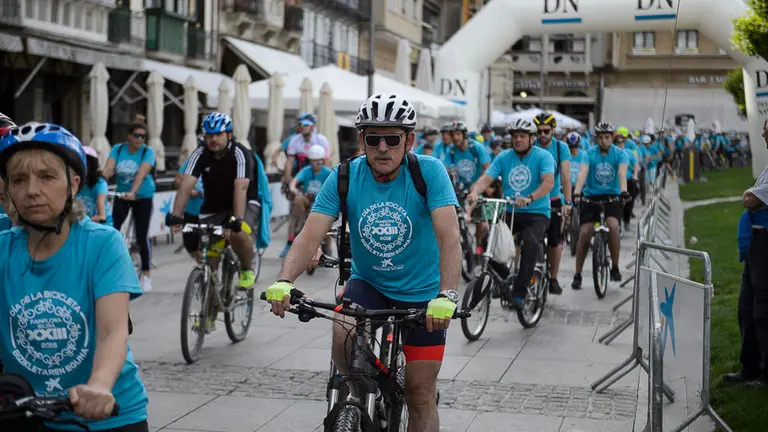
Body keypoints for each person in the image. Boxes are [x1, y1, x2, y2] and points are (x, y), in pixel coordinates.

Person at [265, 93, 461, 432]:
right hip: (368, 284)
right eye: (373, 138)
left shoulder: (429, 172)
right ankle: (359, 397)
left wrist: (447, 295)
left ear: (409, 140)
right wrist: (285, 280)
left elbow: (449, 237)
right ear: (362, 141)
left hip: (423, 294)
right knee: (342, 331)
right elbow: (309, 235)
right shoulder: (344, 176)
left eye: (392, 138)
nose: (383, 147)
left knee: (419, 394)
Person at [0, 122, 149, 431]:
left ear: (74, 184)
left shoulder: (102, 243)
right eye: (19, 180)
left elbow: (113, 331)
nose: (31, 191)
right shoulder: (3, 249)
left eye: (47, 177)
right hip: (21, 411)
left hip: (107, 415)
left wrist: (99, 385)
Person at [168, 112, 260, 291]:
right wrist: (176, 215)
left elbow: (241, 188)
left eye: (218, 134)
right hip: (214, 205)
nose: (213, 139)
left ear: (229, 135)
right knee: (210, 263)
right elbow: (186, 185)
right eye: (209, 135)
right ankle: (207, 315)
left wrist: (236, 219)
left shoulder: (240, 153)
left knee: (237, 232)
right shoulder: (200, 153)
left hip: (245, 202)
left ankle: (247, 269)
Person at [468, 119, 555, 308]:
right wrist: (475, 192)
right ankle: (508, 278)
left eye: (522, 136)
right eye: (515, 136)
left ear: (532, 139)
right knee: (486, 242)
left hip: (537, 212)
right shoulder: (504, 157)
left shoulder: (543, 156)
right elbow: (487, 178)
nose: (518, 140)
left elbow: (548, 183)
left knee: (531, 242)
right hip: (509, 210)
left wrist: (530, 198)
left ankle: (519, 292)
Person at [724, 118, 768, 388]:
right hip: (757, 245)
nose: (762, 132)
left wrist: (750, 195)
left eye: (767, 128)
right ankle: (750, 367)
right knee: (747, 307)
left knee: (763, 309)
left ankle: (765, 373)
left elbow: (752, 199)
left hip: (765, 246)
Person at [572, 122, 629, 290]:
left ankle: (615, 266)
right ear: (596, 139)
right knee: (585, 232)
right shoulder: (588, 154)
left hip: (613, 196)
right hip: (591, 196)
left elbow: (621, 173)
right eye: (600, 138)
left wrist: (624, 190)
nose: (603, 141)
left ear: (612, 138)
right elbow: (582, 174)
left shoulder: (620, 154)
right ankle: (578, 274)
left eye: (607, 137)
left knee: (613, 225)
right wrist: (577, 192)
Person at [102, 121, 157, 293]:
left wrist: (133, 191)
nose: (139, 139)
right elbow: (109, 169)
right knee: (113, 231)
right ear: (129, 136)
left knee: (141, 235)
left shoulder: (148, 152)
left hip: (143, 195)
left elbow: (141, 173)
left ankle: (147, 273)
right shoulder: (118, 149)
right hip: (121, 195)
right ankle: (111, 269)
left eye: (142, 136)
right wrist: (98, 182)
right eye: (136, 135)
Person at [280, 113, 330, 257]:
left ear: (313, 126)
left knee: (326, 214)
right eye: (300, 124)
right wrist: (288, 181)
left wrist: (326, 185)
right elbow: (289, 163)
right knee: (295, 210)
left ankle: (326, 245)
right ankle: (290, 243)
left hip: (318, 179)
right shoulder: (294, 140)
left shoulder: (321, 140)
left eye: (306, 124)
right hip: (302, 175)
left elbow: (325, 162)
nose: (302, 127)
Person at [534, 112, 572, 295]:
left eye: (546, 131)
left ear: (553, 130)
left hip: (554, 198)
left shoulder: (560, 148)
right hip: (533, 200)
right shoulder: (531, 146)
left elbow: (566, 175)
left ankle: (554, 278)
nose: (542, 134)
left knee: (555, 240)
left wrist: (568, 201)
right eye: (539, 131)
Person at [288, 144, 332, 243]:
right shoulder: (306, 170)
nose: (316, 164)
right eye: (313, 161)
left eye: (318, 161)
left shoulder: (328, 172)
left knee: (328, 222)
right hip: (307, 200)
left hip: (322, 202)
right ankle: (295, 232)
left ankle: (326, 241)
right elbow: (293, 183)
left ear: (322, 160)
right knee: (297, 201)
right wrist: (295, 190)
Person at [174, 136, 205, 260]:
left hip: (210, 209)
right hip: (191, 209)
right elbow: (177, 180)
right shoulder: (192, 160)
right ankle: (204, 268)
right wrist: (189, 190)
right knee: (189, 244)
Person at [78, 146, 113, 226]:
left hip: (100, 226)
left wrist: (101, 216)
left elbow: (100, 201)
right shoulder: (73, 182)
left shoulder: (100, 183)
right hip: (80, 225)